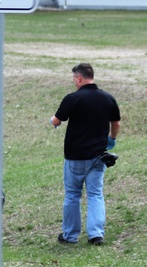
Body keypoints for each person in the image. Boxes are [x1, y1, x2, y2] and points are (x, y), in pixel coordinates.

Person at [49, 63, 121, 245]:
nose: (74, 82)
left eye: (74, 79)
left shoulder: (73, 98)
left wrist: (53, 121)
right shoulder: (107, 98)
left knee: (73, 195)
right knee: (96, 194)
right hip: (98, 156)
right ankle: (96, 234)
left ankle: (70, 235)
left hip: (76, 156)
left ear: (79, 78)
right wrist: (111, 139)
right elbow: (116, 123)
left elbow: (57, 120)